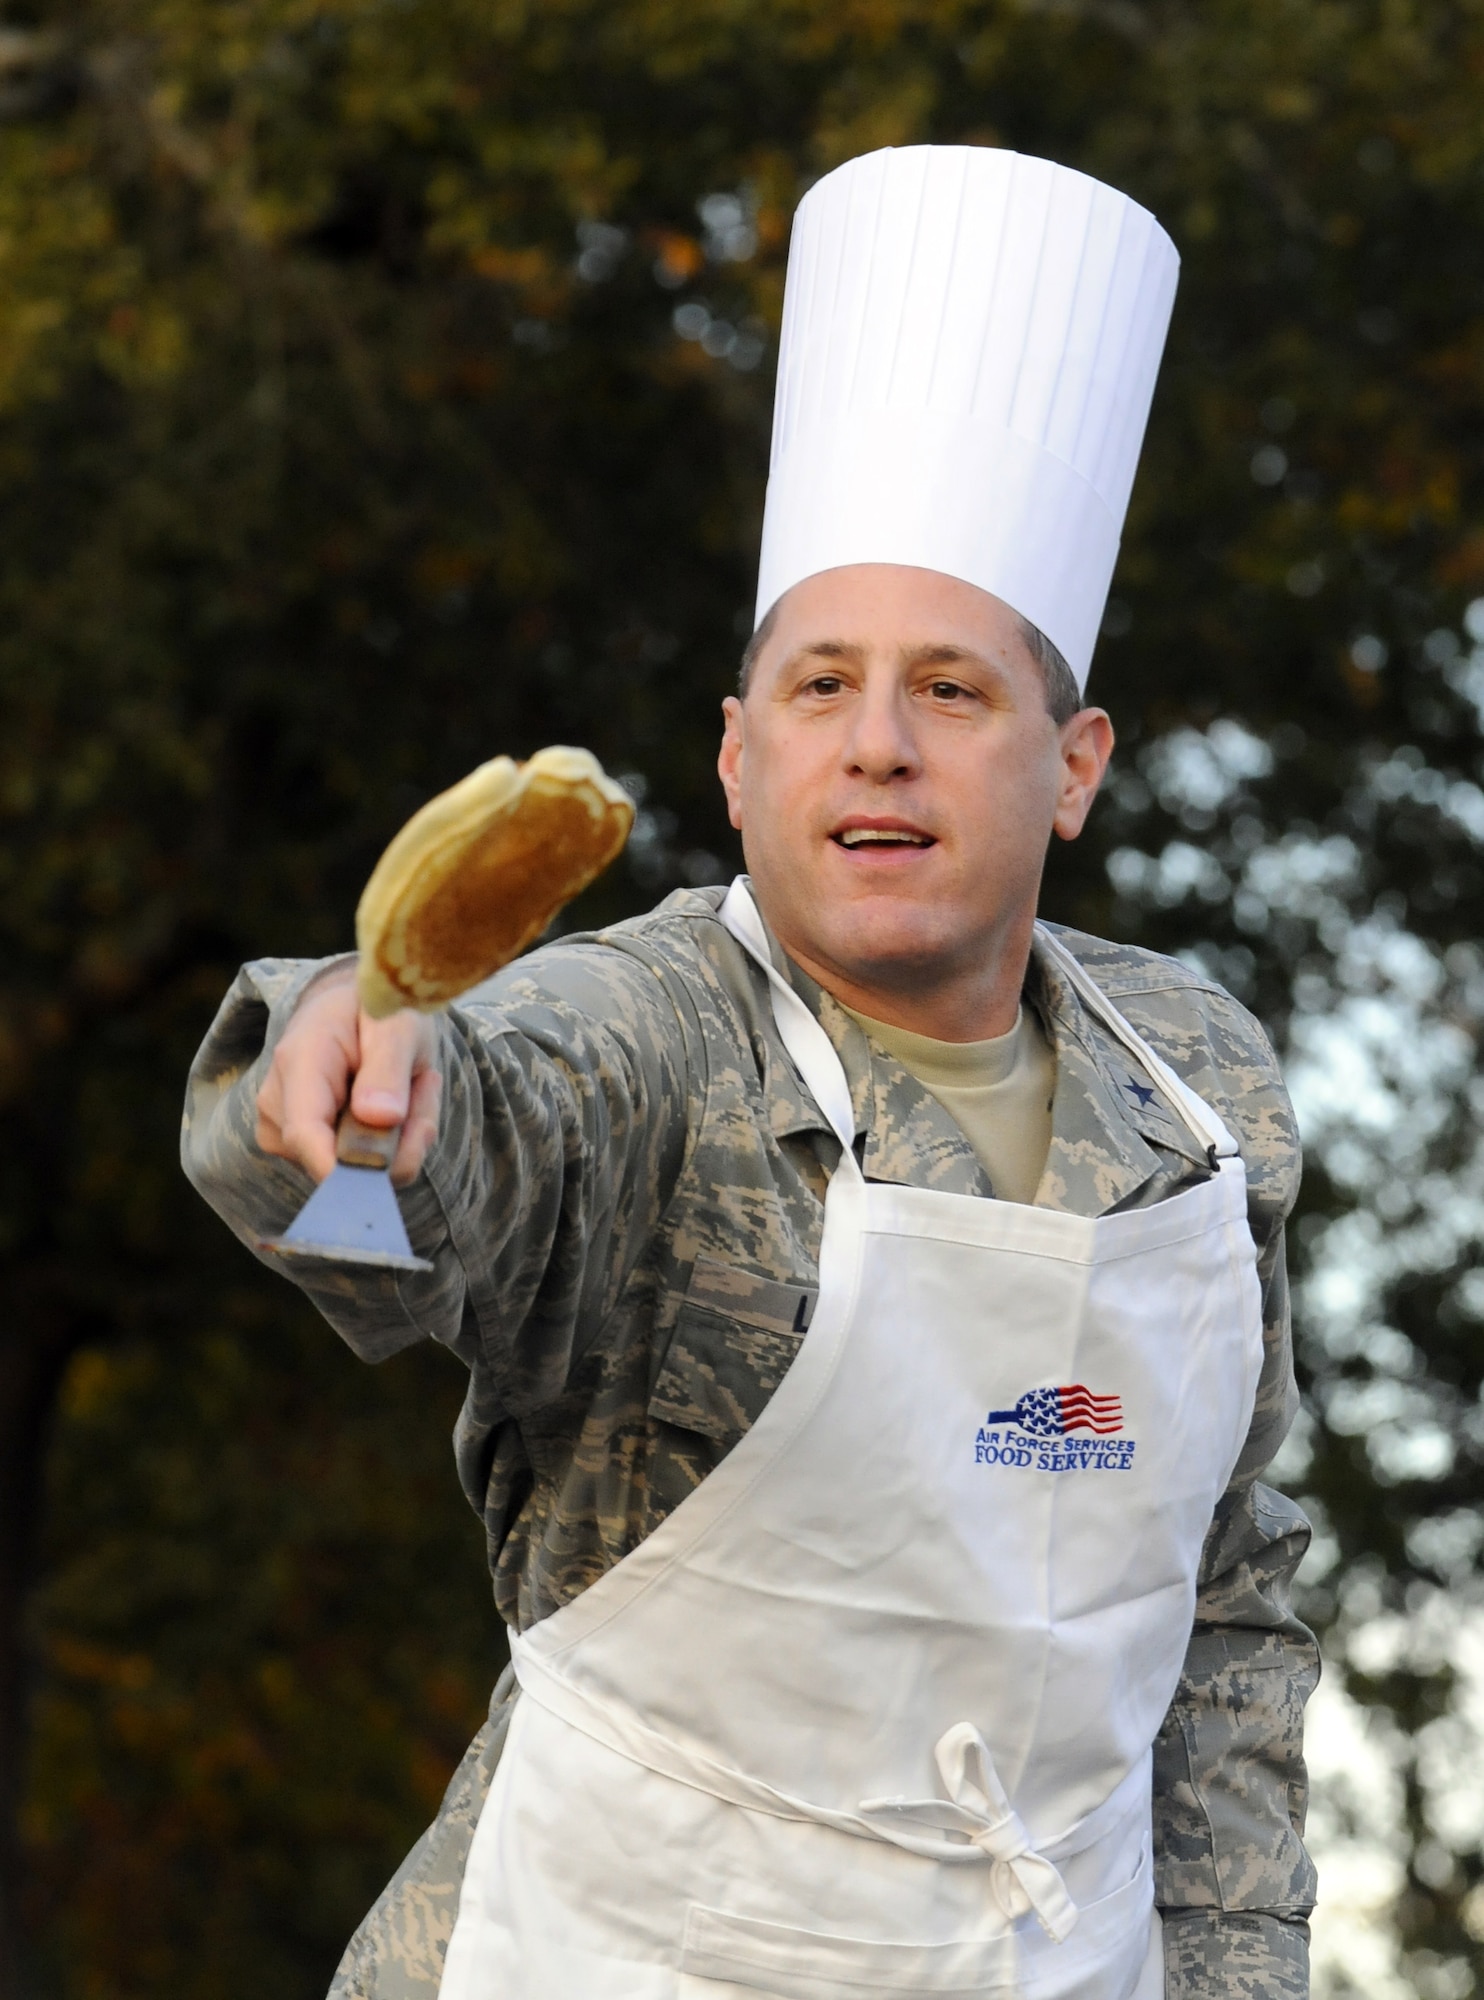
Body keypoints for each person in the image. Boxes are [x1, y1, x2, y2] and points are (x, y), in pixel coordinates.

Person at [184, 146, 1318, 2000]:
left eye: (952, 690)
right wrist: (346, 1070)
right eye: (818, 688)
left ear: (1079, 760)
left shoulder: (1201, 1087)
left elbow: (1227, 1607)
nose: (877, 748)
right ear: (733, 755)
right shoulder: (651, 1036)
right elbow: (435, 1169)